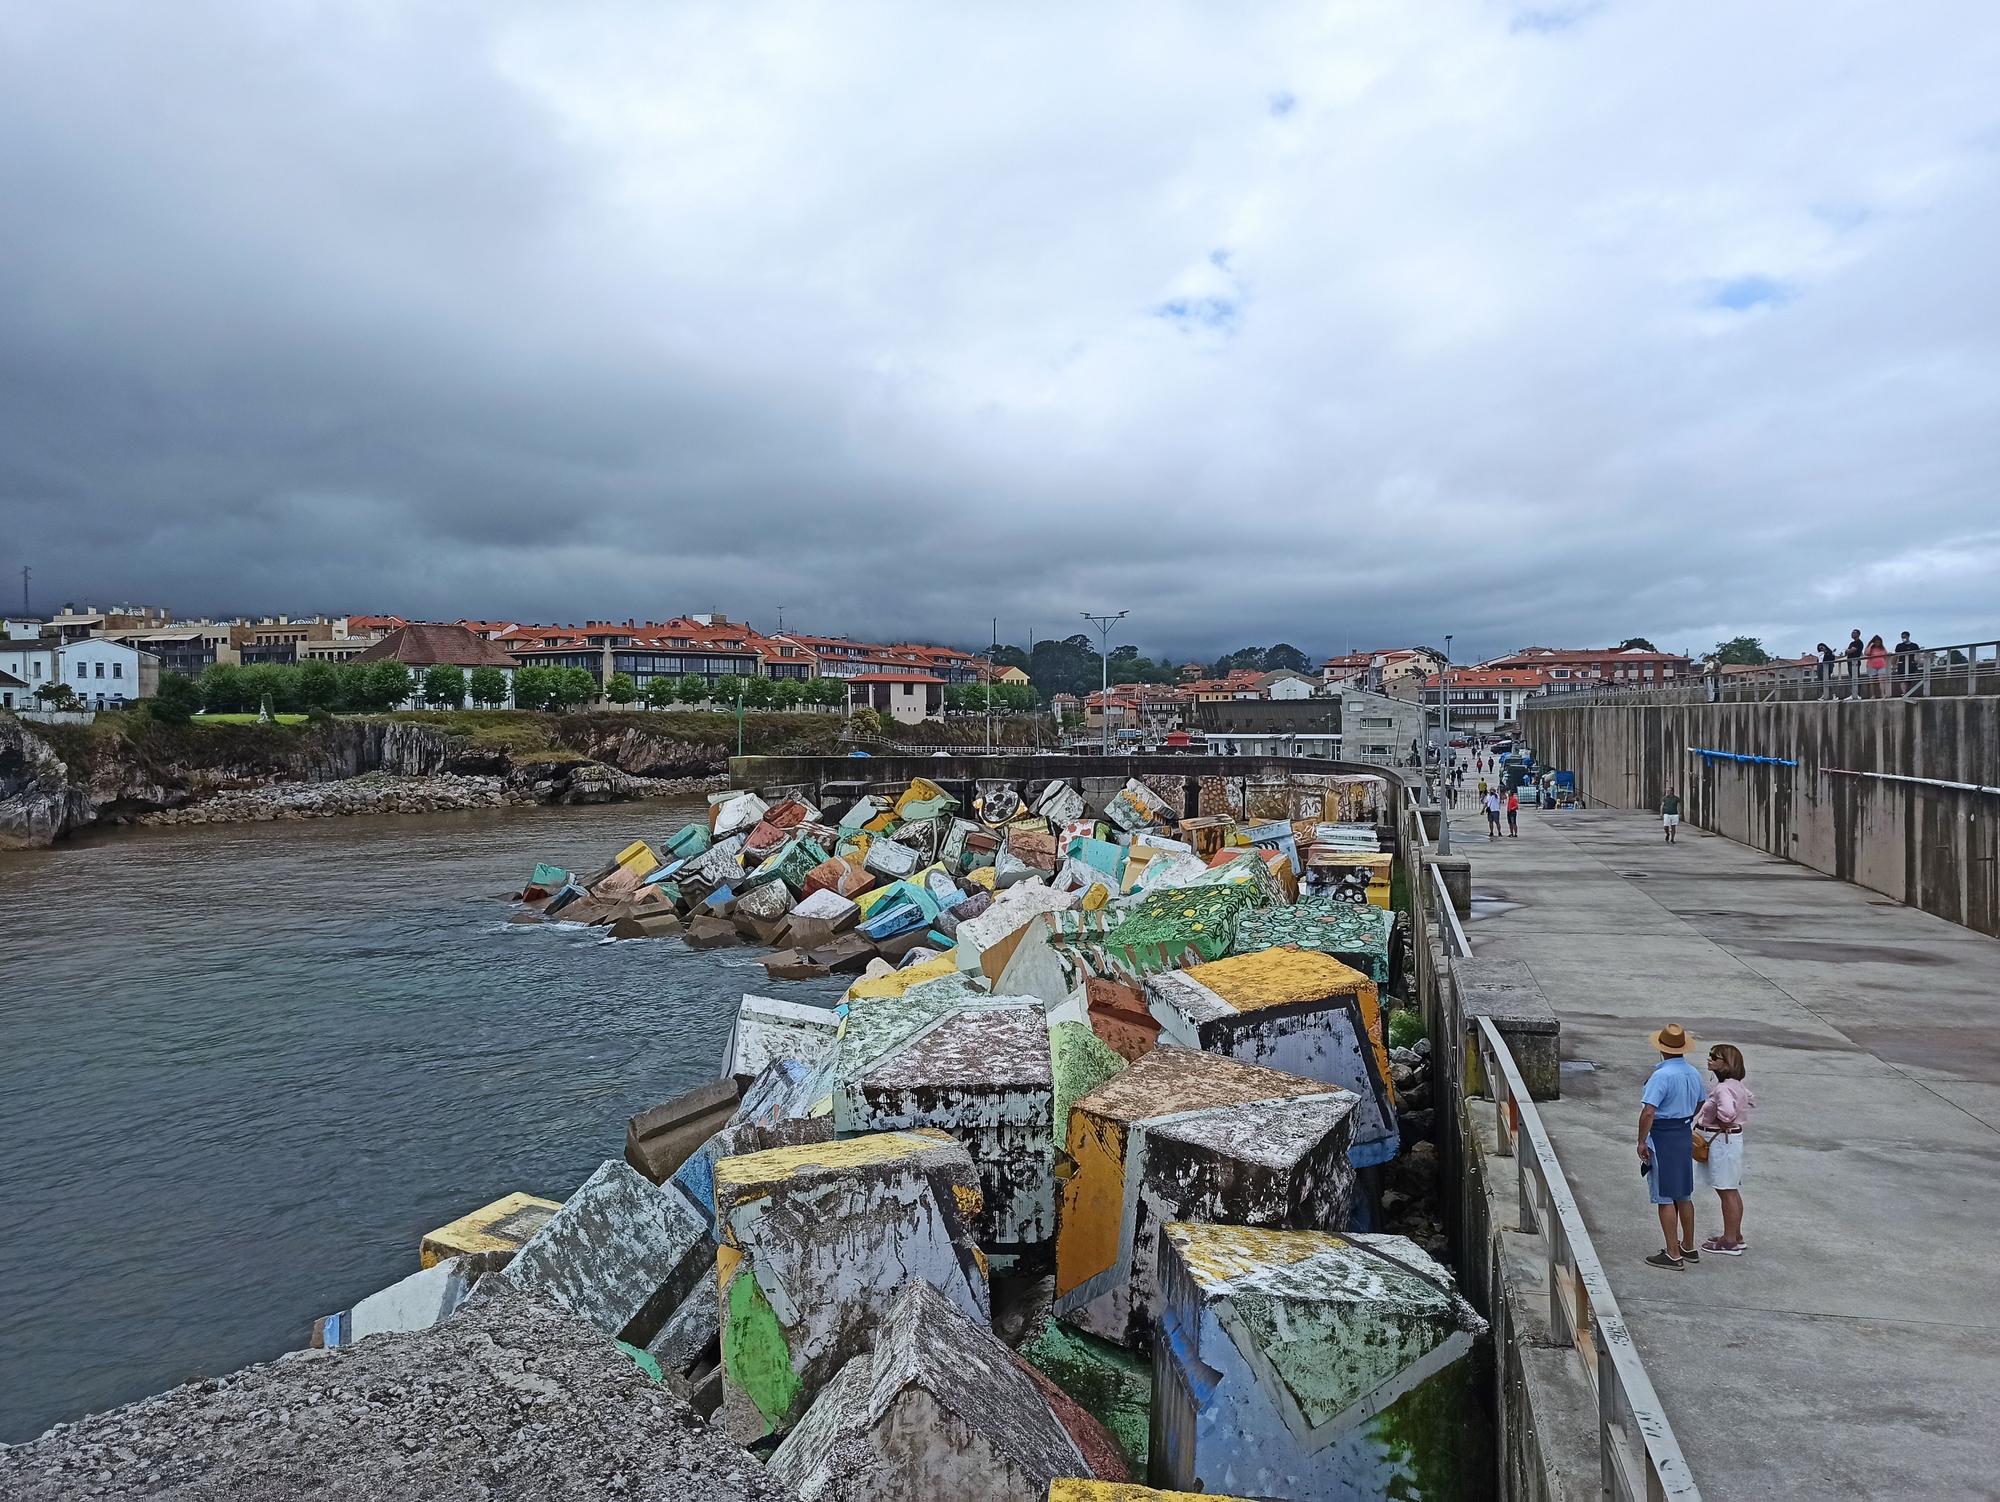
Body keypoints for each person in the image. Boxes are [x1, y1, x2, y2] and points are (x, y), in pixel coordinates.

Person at [1637, 1022, 1707, 1269]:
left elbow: (1648, 1112)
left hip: (1663, 1135)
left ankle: (1672, 1252)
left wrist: (1641, 1140)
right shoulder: (1693, 1073)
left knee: (1664, 1196)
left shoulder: (1661, 1076)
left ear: (1661, 1049)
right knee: (1684, 1194)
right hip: (1683, 1132)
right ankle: (1688, 1246)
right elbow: (1701, 1103)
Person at [1695, 1043, 1755, 1256]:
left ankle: (1729, 1240)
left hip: (1721, 1142)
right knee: (1731, 1189)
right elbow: (1749, 1098)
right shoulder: (1736, 1084)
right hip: (1731, 1141)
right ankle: (1735, 1235)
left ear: (1726, 1064)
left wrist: (1718, 1118)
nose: (1709, 1059)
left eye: (1715, 1057)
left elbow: (1727, 1113)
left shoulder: (1722, 1088)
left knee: (1725, 1190)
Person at [1843, 629, 1863, 697]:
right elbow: (1846, 652)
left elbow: (1851, 650)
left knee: (1856, 678)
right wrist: (1848, 651)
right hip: (1850, 662)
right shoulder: (1852, 643)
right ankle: (1853, 694)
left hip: (1855, 662)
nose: (1852, 634)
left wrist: (1848, 650)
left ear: (1858, 634)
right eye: (1852, 633)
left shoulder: (1859, 642)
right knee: (1852, 678)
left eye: (1854, 633)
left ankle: (1857, 694)